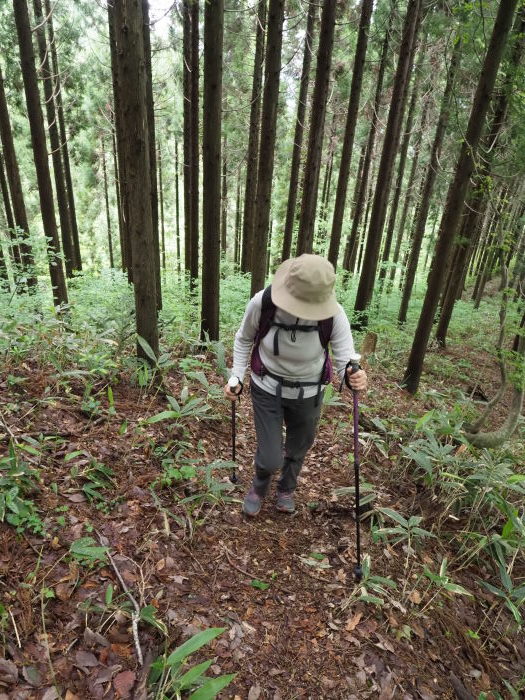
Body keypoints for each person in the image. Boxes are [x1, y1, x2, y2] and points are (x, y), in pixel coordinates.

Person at [224, 254, 367, 517]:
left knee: (299, 446)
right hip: (266, 387)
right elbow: (243, 339)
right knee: (269, 457)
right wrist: (237, 376)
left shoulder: (334, 315)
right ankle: (259, 485)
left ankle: (287, 488)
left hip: (309, 393)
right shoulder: (263, 302)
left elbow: (345, 358)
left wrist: (353, 376)